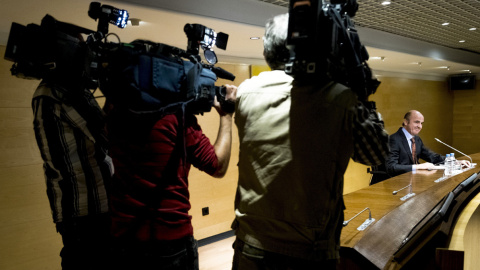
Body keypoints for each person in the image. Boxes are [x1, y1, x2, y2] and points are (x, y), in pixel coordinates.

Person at [231, 13, 389, 269]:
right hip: (309, 252)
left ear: (266, 54)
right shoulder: (341, 98)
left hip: (250, 245)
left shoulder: (247, 91)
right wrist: (361, 92)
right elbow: (376, 154)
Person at [106, 82, 237, 269]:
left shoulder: (113, 114)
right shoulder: (177, 117)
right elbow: (218, 166)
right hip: (170, 238)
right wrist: (226, 115)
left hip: (123, 237)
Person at [32, 76, 113, 269]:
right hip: (89, 209)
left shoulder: (47, 90)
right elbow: (109, 135)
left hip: (76, 209)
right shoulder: (64, 91)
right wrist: (113, 95)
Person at [386, 110, 470, 178]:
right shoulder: (394, 139)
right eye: (416, 122)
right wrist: (418, 167)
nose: (420, 126)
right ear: (405, 122)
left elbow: (432, 157)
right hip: (398, 182)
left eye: (421, 123)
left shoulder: (416, 139)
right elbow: (391, 167)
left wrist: (455, 162)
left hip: (414, 180)